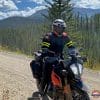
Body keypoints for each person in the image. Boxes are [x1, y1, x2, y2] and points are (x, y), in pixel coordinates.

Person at [39, 19, 76, 94]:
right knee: (47, 73)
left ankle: (71, 89)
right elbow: (44, 47)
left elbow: (71, 46)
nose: (60, 30)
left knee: (69, 72)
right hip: (49, 57)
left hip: (60, 57)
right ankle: (42, 88)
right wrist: (45, 50)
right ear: (54, 28)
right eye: (58, 28)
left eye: (61, 28)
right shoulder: (48, 36)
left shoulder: (65, 37)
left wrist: (74, 54)